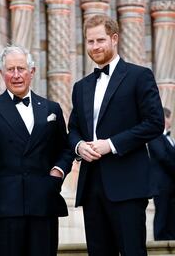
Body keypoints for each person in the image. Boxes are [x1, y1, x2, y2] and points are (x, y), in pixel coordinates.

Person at [68, 14, 164, 255]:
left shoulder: (139, 76)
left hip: (128, 185)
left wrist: (110, 144)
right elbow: (73, 128)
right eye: (90, 41)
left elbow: (154, 123)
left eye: (100, 40)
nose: (95, 46)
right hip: (91, 187)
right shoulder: (81, 86)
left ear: (114, 39)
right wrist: (79, 146)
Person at [0, 45, 74, 256]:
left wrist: (58, 171)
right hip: (5, 207)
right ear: (2, 74)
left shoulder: (51, 109)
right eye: (10, 70)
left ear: (32, 72)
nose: (16, 75)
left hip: (44, 202)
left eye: (21, 68)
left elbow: (66, 149)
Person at [149, 107, 175, 240]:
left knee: (171, 216)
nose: (171, 121)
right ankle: (160, 244)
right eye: (170, 117)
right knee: (162, 215)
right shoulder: (155, 135)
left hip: (172, 185)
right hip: (161, 185)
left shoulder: (170, 138)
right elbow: (162, 157)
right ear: (165, 118)